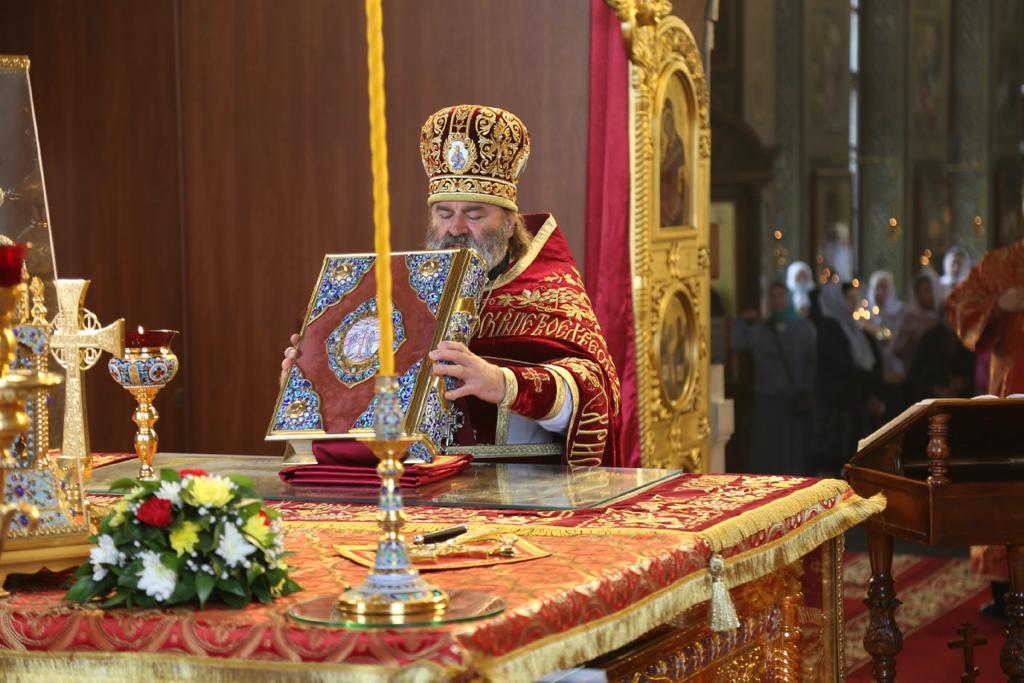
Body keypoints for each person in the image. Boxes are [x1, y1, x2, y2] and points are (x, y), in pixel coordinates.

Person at [283, 105, 622, 468]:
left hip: (516, 493)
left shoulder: (547, 289)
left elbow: (595, 390)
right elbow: (362, 406)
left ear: (509, 223)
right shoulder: (403, 294)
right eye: (444, 214)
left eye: (474, 214)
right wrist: (313, 381)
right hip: (416, 486)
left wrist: (505, 384)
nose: (456, 228)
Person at [946, 239, 1024, 616]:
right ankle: (1005, 588)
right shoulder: (1001, 264)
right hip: (1010, 399)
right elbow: (960, 305)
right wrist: (1000, 306)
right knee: (1004, 490)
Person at [731, 282, 817, 475]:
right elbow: (736, 343)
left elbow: (812, 362)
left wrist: (809, 391)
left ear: (787, 298)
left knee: (792, 452)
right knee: (767, 453)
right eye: (773, 297)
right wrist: (742, 320)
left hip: (792, 399)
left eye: (781, 296)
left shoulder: (804, 328)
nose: (777, 301)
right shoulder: (760, 331)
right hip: (767, 399)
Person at [887, 270, 941, 378]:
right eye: (925, 290)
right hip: (916, 374)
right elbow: (897, 349)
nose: (929, 294)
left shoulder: (941, 316)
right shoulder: (910, 318)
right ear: (917, 293)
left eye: (930, 289)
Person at [866, 270, 903, 334]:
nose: (881, 292)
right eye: (878, 288)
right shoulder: (865, 311)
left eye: (884, 287)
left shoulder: (900, 311)